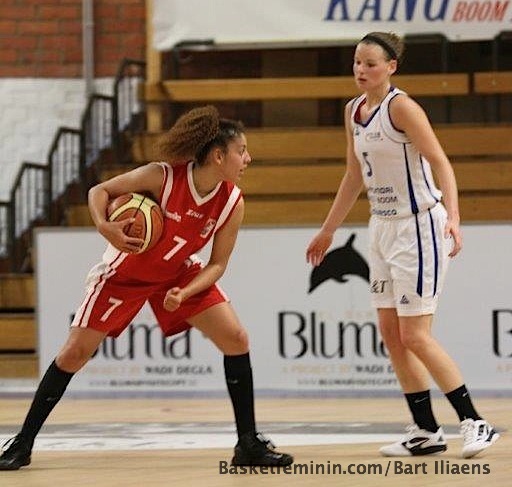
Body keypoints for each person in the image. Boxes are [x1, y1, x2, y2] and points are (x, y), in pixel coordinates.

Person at [0, 105, 293, 470]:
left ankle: (247, 444)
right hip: (126, 274)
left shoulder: (232, 200)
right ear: (219, 156)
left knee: (236, 338)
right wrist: (105, 227)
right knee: (75, 353)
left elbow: (218, 264)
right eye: (242, 151)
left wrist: (185, 293)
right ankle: (22, 443)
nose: (247, 158)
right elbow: (100, 191)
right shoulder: (162, 177)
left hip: (177, 274)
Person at [306, 32, 499, 459]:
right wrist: (328, 230)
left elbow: (440, 161)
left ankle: (476, 422)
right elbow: (353, 175)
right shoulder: (353, 111)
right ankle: (426, 431)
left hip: (419, 226)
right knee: (391, 335)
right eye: (357, 62)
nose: (361, 70)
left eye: (371, 63)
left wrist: (454, 215)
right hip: (381, 227)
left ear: (391, 67)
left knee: (415, 334)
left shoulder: (403, 107)